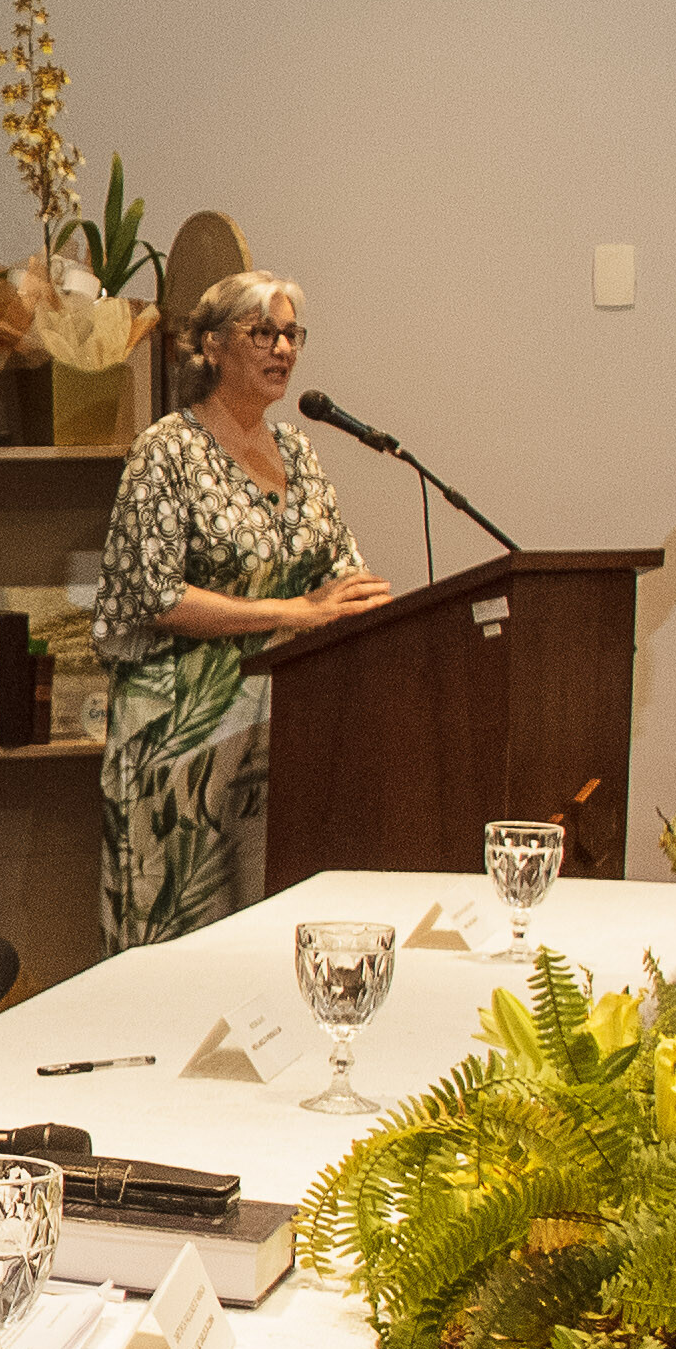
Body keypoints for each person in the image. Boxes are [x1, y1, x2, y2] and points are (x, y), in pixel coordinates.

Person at [92, 270, 392, 947]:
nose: (282, 348)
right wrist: (294, 613)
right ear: (212, 346)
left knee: (265, 935)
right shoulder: (168, 450)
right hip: (179, 738)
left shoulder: (298, 451)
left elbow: (339, 569)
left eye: (292, 335)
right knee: (177, 939)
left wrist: (370, 602)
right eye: (263, 333)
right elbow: (155, 595)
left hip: (280, 732)